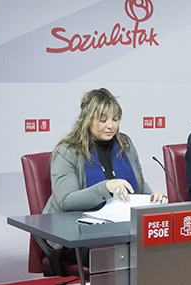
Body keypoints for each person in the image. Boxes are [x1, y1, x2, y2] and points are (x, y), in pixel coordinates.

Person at [43, 88, 167, 264]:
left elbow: (139, 185)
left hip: (123, 230)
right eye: (103, 120)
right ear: (87, 119)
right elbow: (66, 201)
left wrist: (151, 196)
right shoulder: (67, 151)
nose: (111, 126)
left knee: (167, 247)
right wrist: (106, 187)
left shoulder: (125, 144)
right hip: (78, 236)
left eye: (115, 119)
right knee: (130, 256)